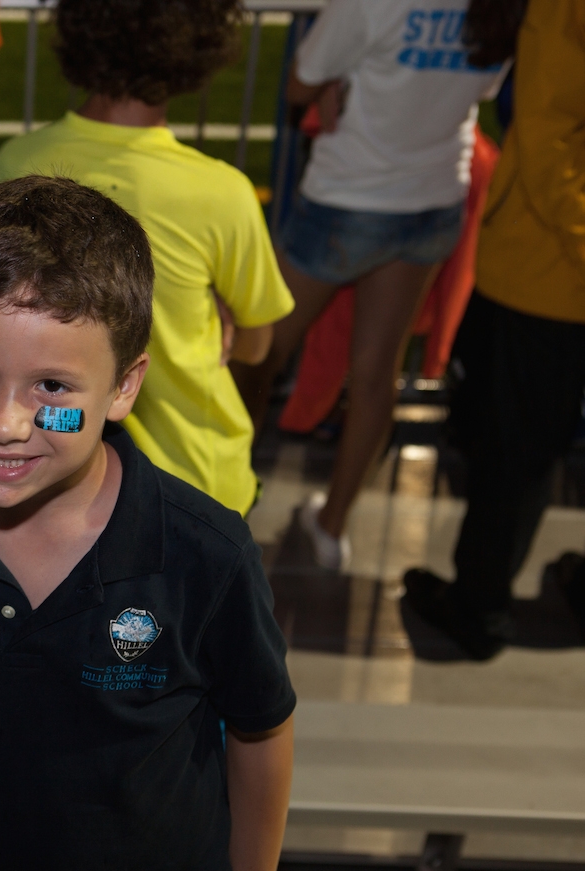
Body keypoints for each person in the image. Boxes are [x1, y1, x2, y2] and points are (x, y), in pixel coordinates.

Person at [0, 176, 297, 871]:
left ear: (124, 387)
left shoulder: (203, 553)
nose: (5, 422)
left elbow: (262, 732)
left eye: (52, 386)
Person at [233, 0, 508, 569]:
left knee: (260, 351)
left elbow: (299, 85)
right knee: (378, 371)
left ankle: (217, 501)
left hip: (348, 200)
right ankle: (332, 527)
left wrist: (338, 82)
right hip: (434, 200)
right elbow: (482, 89)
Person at [0, 0, 292, 516]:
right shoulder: (222, 192)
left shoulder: (17, 162)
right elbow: (256, 343)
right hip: (196, 482)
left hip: (53, 474)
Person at [403, 0, 584, 660]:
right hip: (549, 273)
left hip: (548, 280)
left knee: (511, 449)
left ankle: (479, 609)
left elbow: (545, 133)